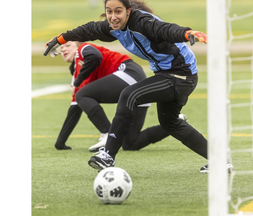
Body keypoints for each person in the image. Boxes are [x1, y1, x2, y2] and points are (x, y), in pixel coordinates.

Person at [44, 0, 233, 173]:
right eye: (109, 11)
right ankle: (220, 161)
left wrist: (187, 33)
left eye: (118, 11)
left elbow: (164, 29)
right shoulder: (114, 27)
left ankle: (108, 156)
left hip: (180, 75)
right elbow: (87, 30)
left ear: (129, 11)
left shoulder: (142, 22)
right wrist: (59, 40)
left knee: (129, 94)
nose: (113, 16)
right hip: (170, 75)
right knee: (170, 123)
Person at [54, 40, 176, 152]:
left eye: (68, 45)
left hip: (129, 74)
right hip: (137, 89)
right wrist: (60, 143)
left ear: (78, 44)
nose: (64, 49)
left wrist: (77, 82)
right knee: (130, 144)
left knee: (82, 94)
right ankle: (174, 124)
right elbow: (75, 107)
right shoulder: (77, 72)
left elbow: (95, 56)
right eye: (62, 48)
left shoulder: (83, 48)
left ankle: (107, 133)